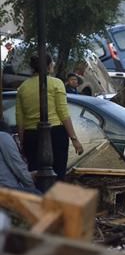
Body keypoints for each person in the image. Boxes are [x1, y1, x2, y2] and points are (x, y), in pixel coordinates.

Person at [16, 53, 83, 181]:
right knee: (57, 175)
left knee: (36, 177)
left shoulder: (23, 88)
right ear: (48, 66)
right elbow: (63, 112)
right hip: (55, 134)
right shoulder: (56, 83)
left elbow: (20, 120)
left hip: (31, 136)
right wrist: (74, 138)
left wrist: (23, 142)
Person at [0, 117, 39, 194]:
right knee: (38, 195)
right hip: (7, 189)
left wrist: (31, 175)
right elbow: (18, 167)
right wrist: (31, 185)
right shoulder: (3, 137)